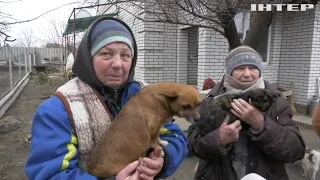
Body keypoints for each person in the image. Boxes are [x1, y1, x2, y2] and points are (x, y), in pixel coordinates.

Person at [25, 17, 188, 180]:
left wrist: (163, 158)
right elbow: (50, 174)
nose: (118, 64)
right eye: (106, 53)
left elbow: (175, 136)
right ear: (88, 58)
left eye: (125, 55)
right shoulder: (57, 111)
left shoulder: (148, 96)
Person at [188, 45, 306, 180]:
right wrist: (218, 139)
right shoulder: (210, 101)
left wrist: (262, 125)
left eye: (253, 68)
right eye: (240, 68)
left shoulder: (277, 102)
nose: (247, 74)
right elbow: (192, 144)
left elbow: (295, 151)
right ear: (229, 71)